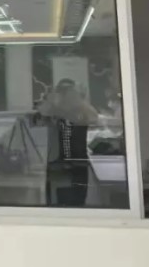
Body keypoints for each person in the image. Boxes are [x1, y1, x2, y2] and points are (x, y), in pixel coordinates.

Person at [35, 79, 101, 207]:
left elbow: (94, 118)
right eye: (63, 91)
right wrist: (53, 102)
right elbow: (39, 118)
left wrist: (78, 102)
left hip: (77, 162)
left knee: (77, 200)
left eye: (69, 91)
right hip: (56, 163)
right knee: (56, 201)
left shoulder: (81, 111)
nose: (67, 95)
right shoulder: (53, 111)